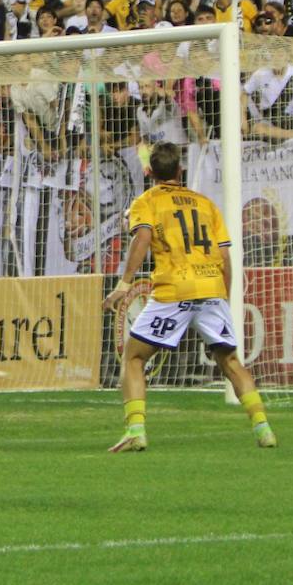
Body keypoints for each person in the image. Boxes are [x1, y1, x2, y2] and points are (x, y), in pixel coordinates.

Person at [102, 143, 276, 453]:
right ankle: (263, 428)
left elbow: (142, 238)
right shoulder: (206, 203)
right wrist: (223, 296)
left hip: (173, 290)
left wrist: (124, 283)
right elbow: (224, 256)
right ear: (179, 170)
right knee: (231, 361)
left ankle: (136, 429)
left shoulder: (147, 201)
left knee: (134, 357)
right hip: (211, 288)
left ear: (151, 173)